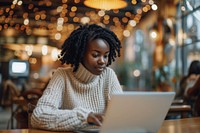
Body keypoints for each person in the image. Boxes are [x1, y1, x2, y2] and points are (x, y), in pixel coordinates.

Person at [31, 24, 123, 131]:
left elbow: (122, 114)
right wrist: (84, 117)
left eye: (105, 56)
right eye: (95, 55)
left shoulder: (109, 75)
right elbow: (38, 116)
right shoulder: (62, 76)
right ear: (80, 53)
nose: (102, 61)